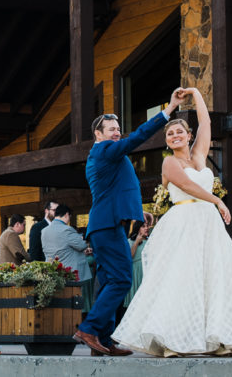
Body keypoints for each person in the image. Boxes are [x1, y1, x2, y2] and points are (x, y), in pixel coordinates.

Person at [112, 87, 232, 356]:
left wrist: (195, 93)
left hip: (207, 226)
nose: (175, 135)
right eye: (170, 133)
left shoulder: (200, 157)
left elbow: (207, 122)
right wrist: (218, 201)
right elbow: (187, 186)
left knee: (213, 277)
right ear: (167, 142)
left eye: (180, 132)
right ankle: (176, 339)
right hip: (184, 222)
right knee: (183, 277)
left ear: (189, 136)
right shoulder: (169, 164)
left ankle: (215, 336)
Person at [73, 89, 185, 358]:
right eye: (111, 129)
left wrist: (137, 212)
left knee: (111, 280)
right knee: (122, 280)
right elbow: (138, 137)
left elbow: (119, 189)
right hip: (107, 227)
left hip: (108, 225)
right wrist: (168, 110)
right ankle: (89, 329)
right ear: (98, 135)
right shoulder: (105, 151)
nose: (116, 132)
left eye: (117, 128)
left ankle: (103, 340)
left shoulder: (108, 155)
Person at [117, 213, 154, 326]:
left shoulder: (149, 242)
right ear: (138, 228)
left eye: (147, 226)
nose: (146, 228)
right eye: (143, 226)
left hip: (145, 273)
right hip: (134, 272)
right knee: (132, 302)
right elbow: (130, 257)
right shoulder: (129, 242)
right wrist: (137, 242)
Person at [41, 204, 92, 284]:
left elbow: (61, 248)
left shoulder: (44, 231)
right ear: (66, 214)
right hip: (69, 272)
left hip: (52, 271)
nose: (68, 220)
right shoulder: (67, 230)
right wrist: (80, 239)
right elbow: (82, 246)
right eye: (69, 217)